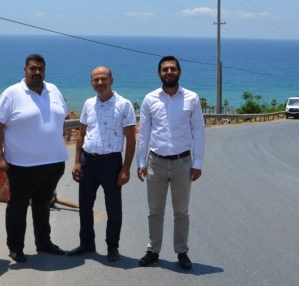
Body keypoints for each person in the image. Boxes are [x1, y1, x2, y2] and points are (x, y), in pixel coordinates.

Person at [0, 54, 69, 263]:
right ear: (25, 69)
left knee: (43, 203)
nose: (37, 72)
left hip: (54, 162)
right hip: (22, 164)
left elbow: (60, 118)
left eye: (40, 69)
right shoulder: (12, 93)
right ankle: (16, 247)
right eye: (33, 68)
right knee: (18, 205)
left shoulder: (54, 90)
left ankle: (44, 242)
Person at [136, 56, 205, 270]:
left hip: (182, 162)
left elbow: (198, 130)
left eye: (172, 69)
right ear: (159, 73)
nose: (169, 72)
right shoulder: (150, 99)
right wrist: (140, 161)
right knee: (155, 211)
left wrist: (198, 162)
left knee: (181, 212)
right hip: (155, 162)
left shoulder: (191, 98)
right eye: (165, 69)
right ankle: (153, 250)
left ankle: (182, 252)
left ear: (179, 72)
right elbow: (144, 132)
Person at [67, 66, 136, 262]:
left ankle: (112, 246)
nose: (100, 83)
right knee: (85, 206)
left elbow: (131, 140)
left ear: (111, 80)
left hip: (111, 163)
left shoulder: (124, 105)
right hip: (88, 161)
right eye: (96, 80)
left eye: (103, 79)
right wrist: (77, 162)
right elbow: (81, 135)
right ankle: (86, 243)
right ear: (91, 82)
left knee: (113, 207)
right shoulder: (89, 103)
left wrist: (126, 169)